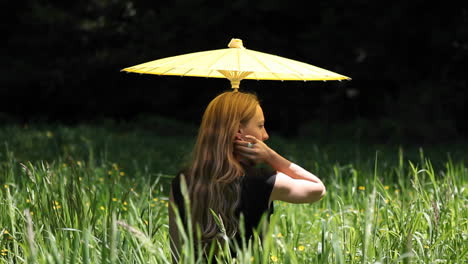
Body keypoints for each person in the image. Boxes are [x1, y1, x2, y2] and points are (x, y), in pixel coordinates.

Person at [168, 91, 326, 261]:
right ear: (238, 130)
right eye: (260, 125)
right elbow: (318, 189)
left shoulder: (181, 182)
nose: (265, 135)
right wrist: (271, 156)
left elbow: (176, 253)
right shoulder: (263, 182)